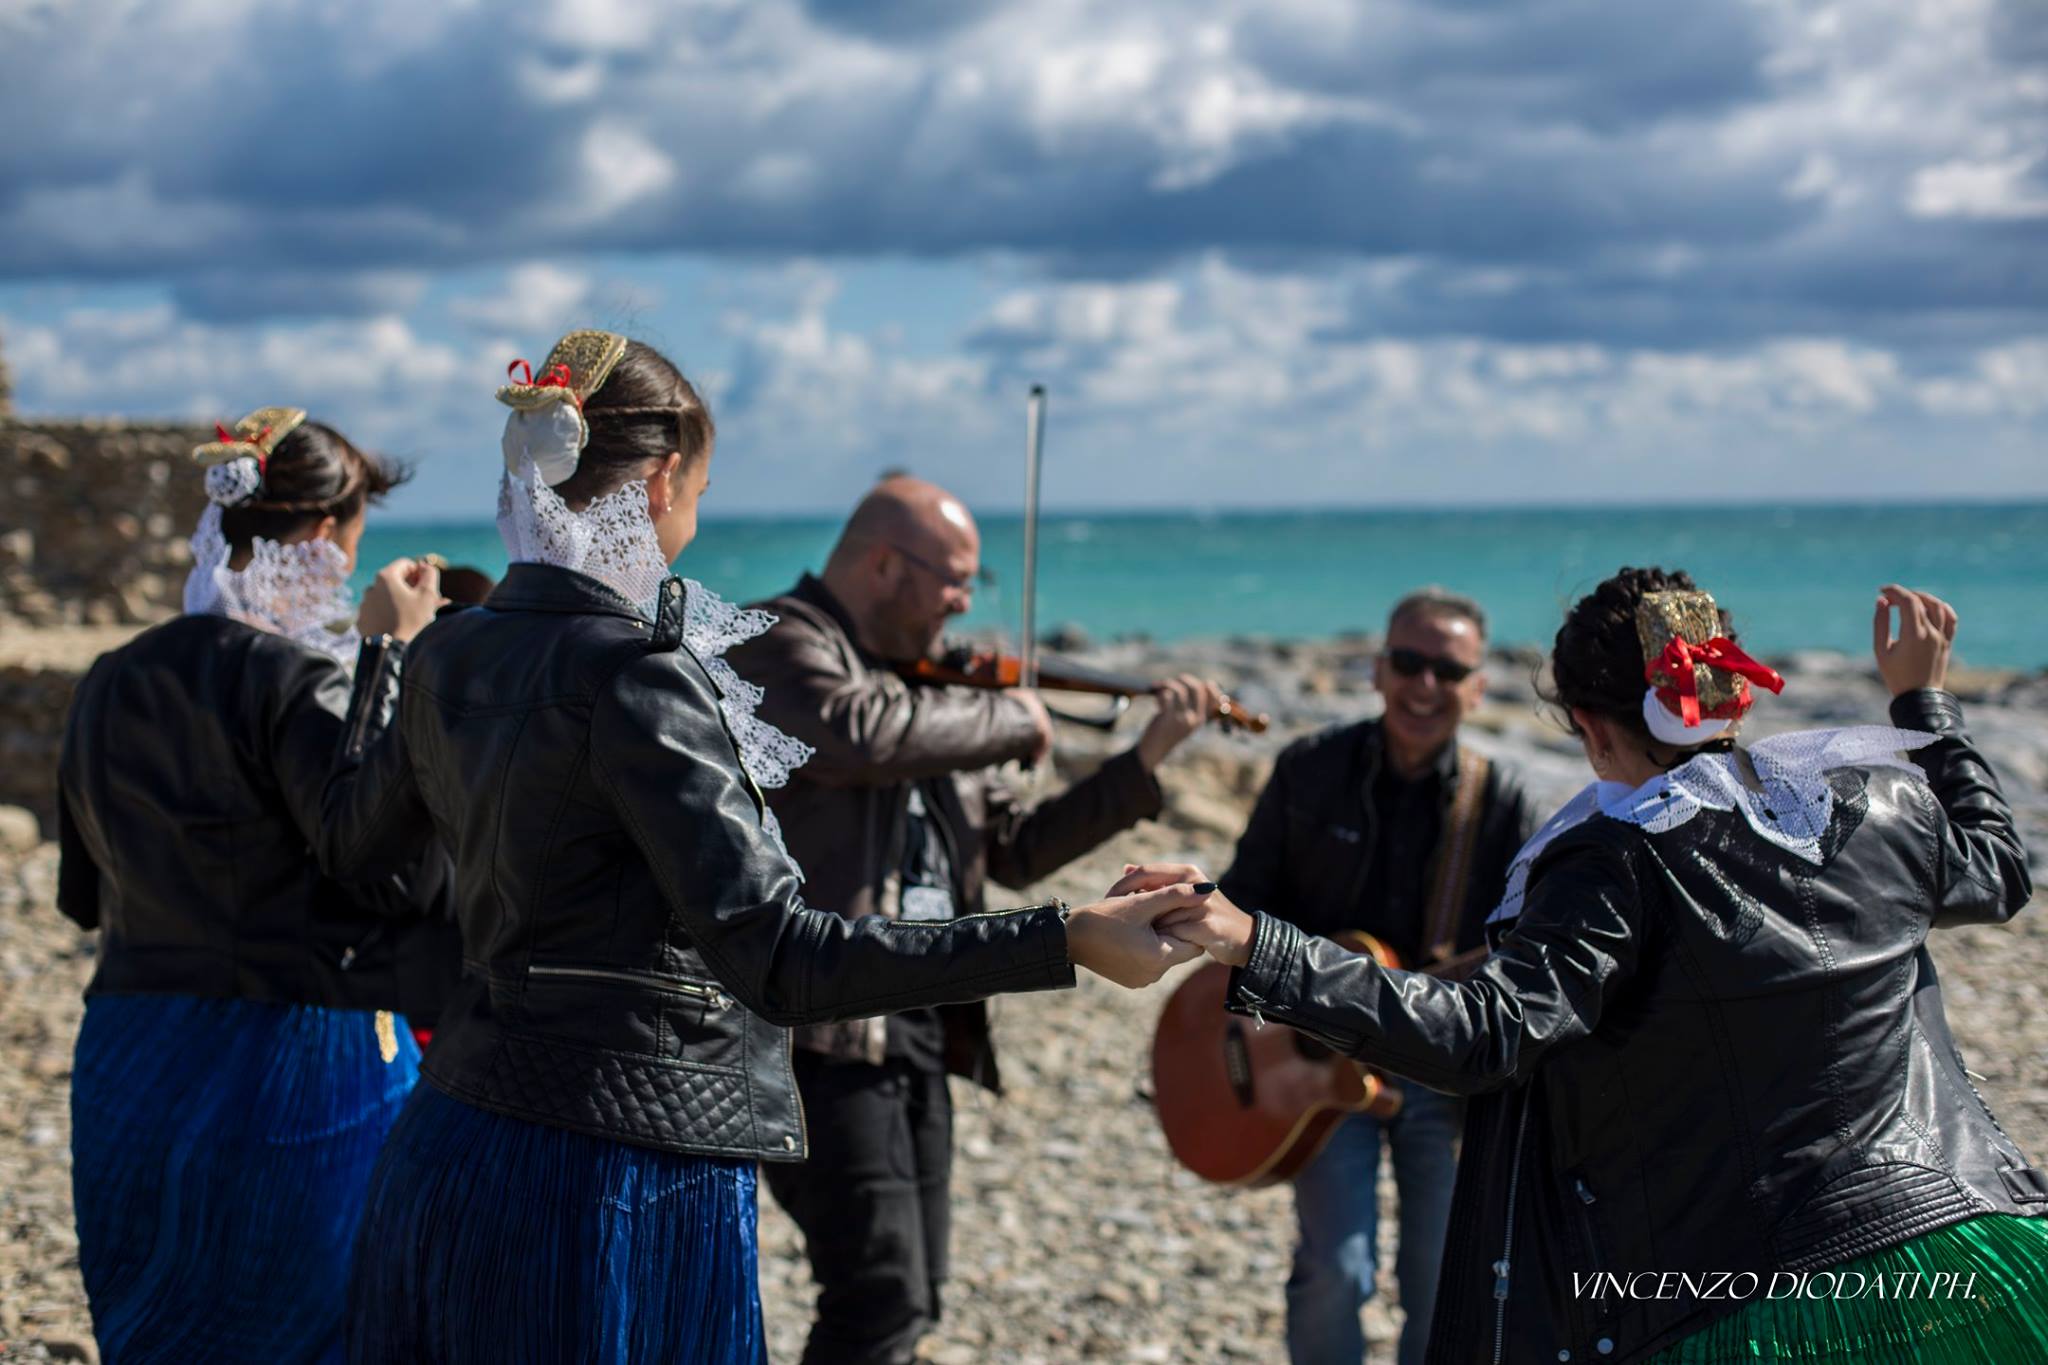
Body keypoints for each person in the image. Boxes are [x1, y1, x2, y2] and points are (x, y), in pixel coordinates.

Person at [329, 331, 1208, 1364]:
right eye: (700, 492)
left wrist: (381, 657)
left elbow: (360, 856)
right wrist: (1066, 937)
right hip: (615, 1159)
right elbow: (781, 959)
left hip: (455, 1124)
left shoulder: (446, 650)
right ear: (663, 481)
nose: (693, 519)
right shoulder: (637, 674)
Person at [1134, 569, 2047, 1364]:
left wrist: (1256, 943)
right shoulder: (1879, 801)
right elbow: (2002, 869)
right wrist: (1924, 702)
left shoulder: (1613, 859)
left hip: (1731, 1298)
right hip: (1954, 1250)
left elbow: (1488, 1030)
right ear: (1731, 690)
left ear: (1588, 724)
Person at [726, 477, 1222, 1365]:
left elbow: (1017, 849)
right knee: (876, 1294)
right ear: (885, 565)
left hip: (921, 1022)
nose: (964, 603)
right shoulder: (781, 640)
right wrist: (1010, 715)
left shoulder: (936, 690)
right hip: (824, 1033)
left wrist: (1141, 762)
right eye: (954, 579)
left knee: (917, 1292)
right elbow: (861, 733)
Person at [55, 408, 452, 1362]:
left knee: (162, 1323)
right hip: (293, 1059)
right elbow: (380, 862)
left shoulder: (109, 677)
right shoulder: (298, 678)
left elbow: (79, 892)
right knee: (321, 1325)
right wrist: (393, 654)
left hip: (132, 1048)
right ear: (325, 530)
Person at [1216, 586, 1535, 1365]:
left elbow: (1526, 952)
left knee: (1445, 1281)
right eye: (1408, 661)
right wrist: (1257, 1027)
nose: (1425, 684)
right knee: (1336, 1267)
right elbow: (1239, 906)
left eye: (1447, 670)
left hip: (1440, 1075)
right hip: (1318, 1065)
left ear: (1477, 688)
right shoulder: (1308, 770)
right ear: (1377, 669)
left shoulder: (1500, 801)